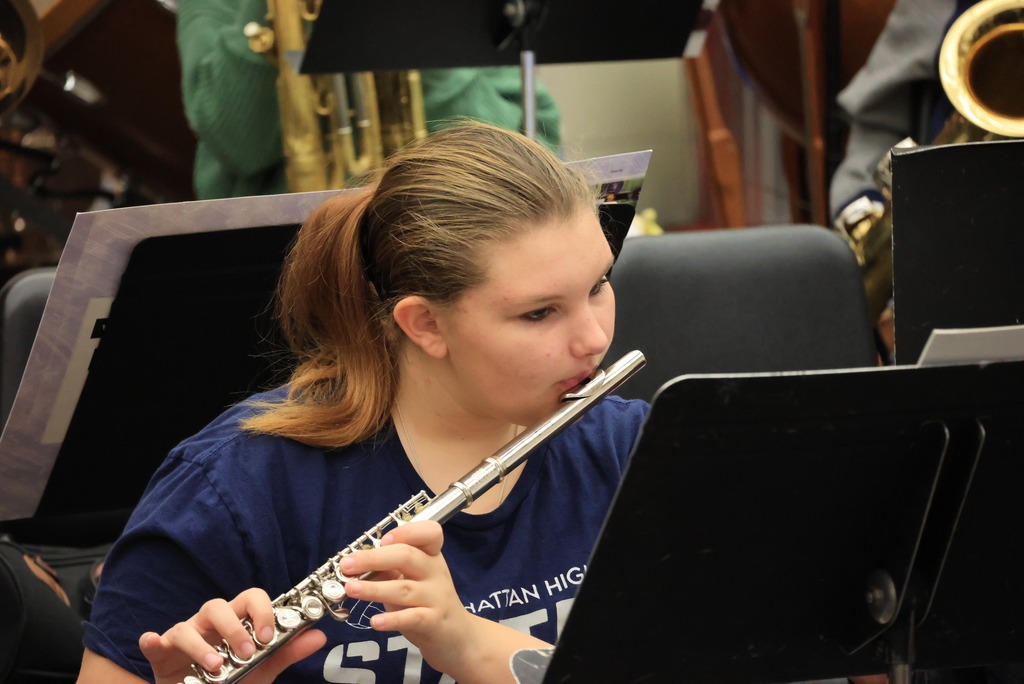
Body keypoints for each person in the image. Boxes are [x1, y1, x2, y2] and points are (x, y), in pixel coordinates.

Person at [75, 122, 647, 684]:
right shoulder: (234, 490)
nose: (594, 339)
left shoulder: (639, 449)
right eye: (539, 313)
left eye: (598, 285)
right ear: (425, 324)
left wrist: (472, 645)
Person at [176, 0, 563, 199]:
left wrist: (413, 26)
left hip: (451, 254)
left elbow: (536, 151)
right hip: (281, 275)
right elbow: (238, 142)